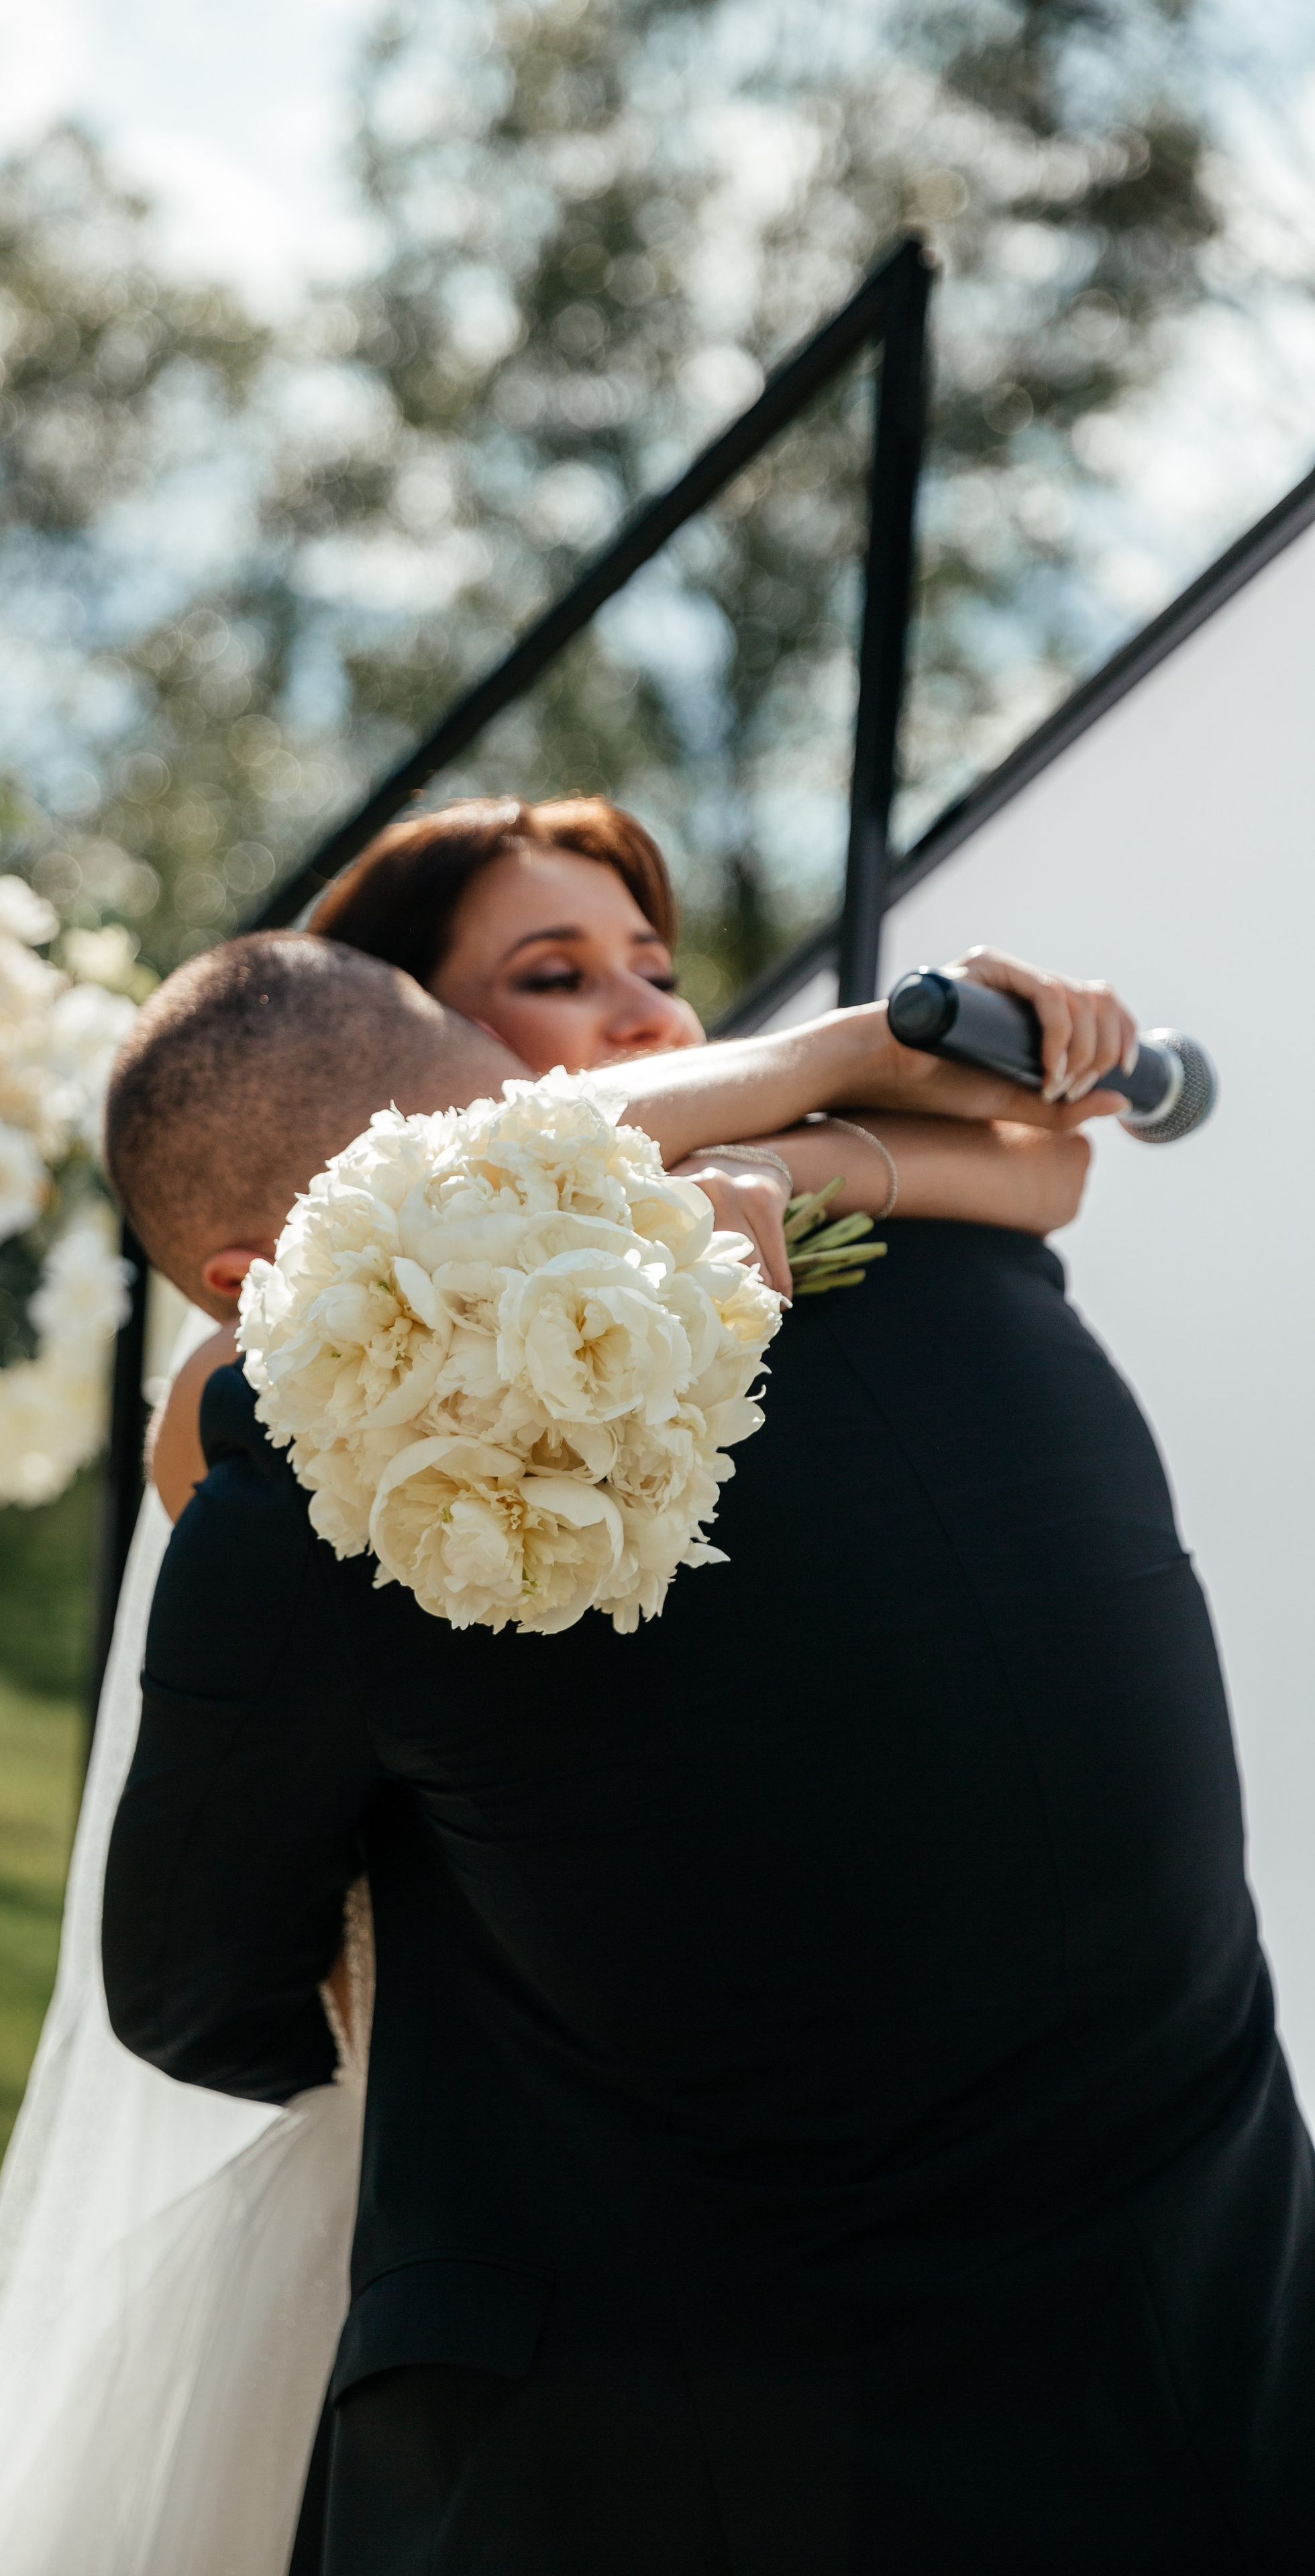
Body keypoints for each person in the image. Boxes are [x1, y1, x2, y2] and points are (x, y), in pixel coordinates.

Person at [104, 926, 1315, 2572]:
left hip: (704, 2479)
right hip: (1227, 2386)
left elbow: (198, 1999)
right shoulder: (967, 1272)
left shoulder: (328, 1482)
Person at [153, 793, 1122, 1514]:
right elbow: (468, 1170)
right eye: (559, 976)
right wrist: (857, 1052)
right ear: (397, 1040)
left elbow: (1049, 1166)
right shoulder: (290, 1356)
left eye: (658, 971)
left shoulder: (726, 1199)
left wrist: (777, 1162)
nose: (657, 1016)